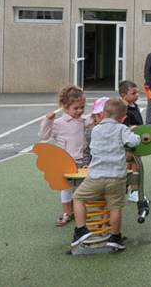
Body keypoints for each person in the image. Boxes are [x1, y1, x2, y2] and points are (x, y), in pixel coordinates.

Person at [70, 98, 141, 250]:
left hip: (96, 176)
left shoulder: (96, 130)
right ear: (123, 118)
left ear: (102, 114)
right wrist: (136, 135)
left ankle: (81, 229)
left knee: (78, 197)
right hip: (116, 177)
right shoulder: (122, 129)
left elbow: (93, 147)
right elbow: (134, 142)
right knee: (115, 207)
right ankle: (115, 237)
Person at [39, 85, 93, 226]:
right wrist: (48, 120)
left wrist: (96, 115)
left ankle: (78, 211)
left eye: (82, 107)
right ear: (65, 106)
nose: (79, 111)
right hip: (66, 161)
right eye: (76, 108)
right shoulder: (58, 123)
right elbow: (44, 136)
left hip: (82, 159)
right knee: (66, 188)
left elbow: (91, 121)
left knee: (80, 188)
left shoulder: (82, 120)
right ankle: (66, 213)